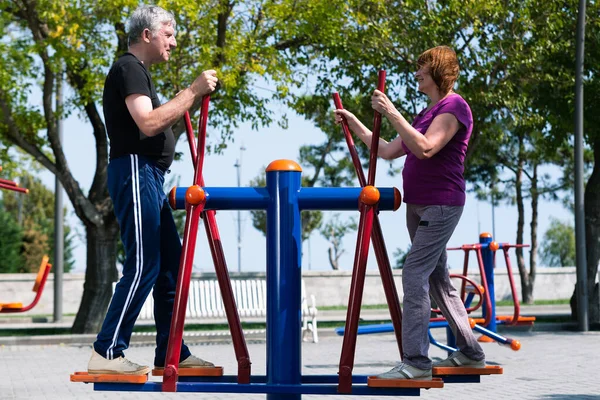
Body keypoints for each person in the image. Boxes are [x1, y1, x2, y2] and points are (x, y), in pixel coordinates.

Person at [334, 46, 486, 380]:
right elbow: (388, 150)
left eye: (421, 69)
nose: (416, 74)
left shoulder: (454, 106)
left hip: (441, 205)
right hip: (416, 206)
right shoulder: (426, 113)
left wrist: (390, 111)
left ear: (437, 73)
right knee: (438, 281)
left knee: (414, 274)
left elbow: (427, 147)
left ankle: (416, 361)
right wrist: (355, 121)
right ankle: (472, 353)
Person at [88, 5, 219, 375]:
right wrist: (191, 91)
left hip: (149, 176)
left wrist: (185, 98)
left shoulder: (139, 72)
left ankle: (171, 352)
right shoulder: (129, 67)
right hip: (134, 169)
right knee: (144, 263)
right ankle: (107, 352)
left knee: (171, 269)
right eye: (169, 34)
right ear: (147, 35)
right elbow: (148, 123)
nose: (173, 43)